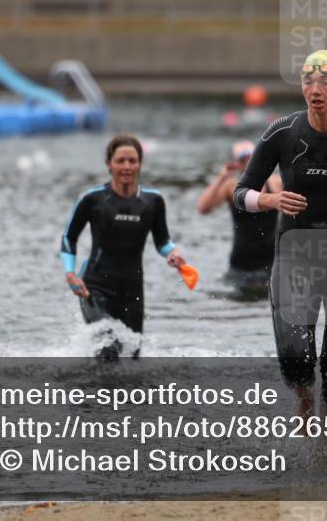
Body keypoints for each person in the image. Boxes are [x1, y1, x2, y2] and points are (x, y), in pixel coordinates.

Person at [233, 49, 327, 417]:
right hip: (295, 250)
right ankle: (305, 406)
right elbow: (241, 193)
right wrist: (270, 202)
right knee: (296, 357)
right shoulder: (281, 132)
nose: (315, 88)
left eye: (325, 80)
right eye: (308, 80)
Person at [61, 134, 187, 359]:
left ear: (140, 164)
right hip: (94, 288)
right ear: (109, 164)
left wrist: (173, 254)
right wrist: (70, 274)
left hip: (132, 291)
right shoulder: (92, 199)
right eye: (120, 161)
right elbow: (69, 238)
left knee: (132, 358)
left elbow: (163, 241)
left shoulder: (153, 202)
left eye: (132, 161)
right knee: (109, 346)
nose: (126, 166)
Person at [196, 140, 281, 297]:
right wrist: (221, 178)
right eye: (243, 159)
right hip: (241, 265)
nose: (248, 163)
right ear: (236, 164)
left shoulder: (275, 184)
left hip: (271, 264)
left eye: (251, 157)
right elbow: (203, 208)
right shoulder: (231, 187)